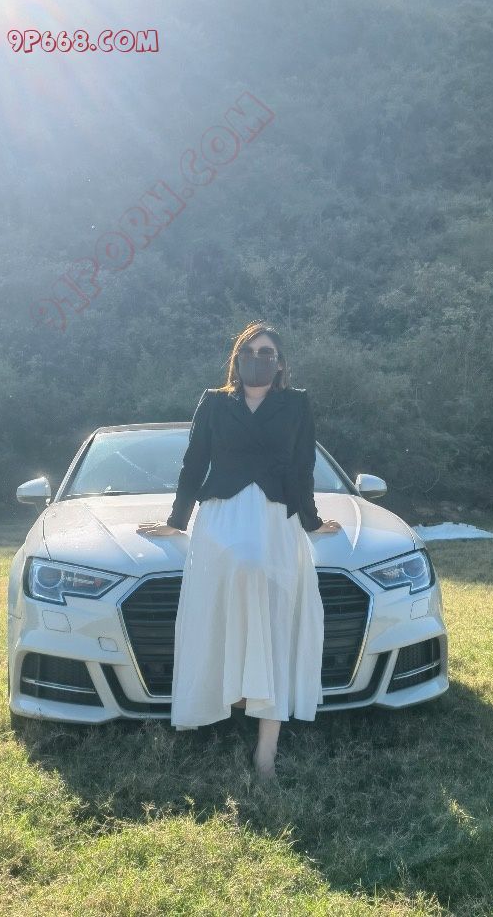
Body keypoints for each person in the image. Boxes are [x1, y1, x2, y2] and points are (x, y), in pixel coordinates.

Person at [136, 321, 342, 781]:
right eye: (249, 351)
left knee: (275, 624)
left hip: (276, 521)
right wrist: (176, 520)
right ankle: (229, 699)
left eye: (267, 352)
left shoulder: (296, 404)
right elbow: (194, 463)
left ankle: (267, 749)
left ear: (280, 363)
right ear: (237, 358)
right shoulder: (214, 403)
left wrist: (311, 521)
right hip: (222, 518)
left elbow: (303, 467)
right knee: (227, 612)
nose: (258, 359)